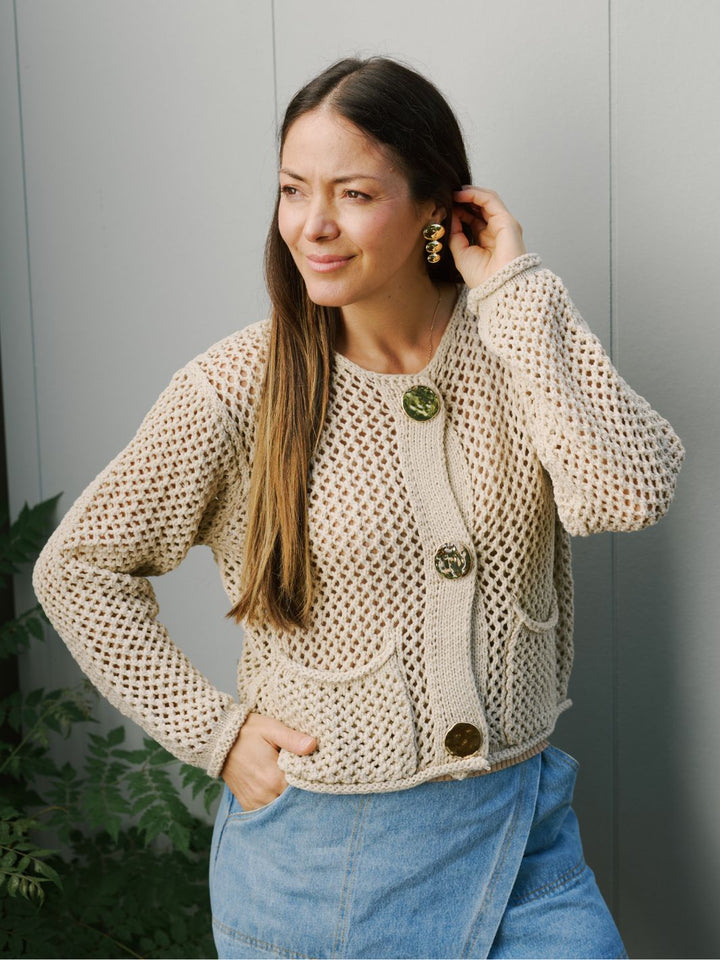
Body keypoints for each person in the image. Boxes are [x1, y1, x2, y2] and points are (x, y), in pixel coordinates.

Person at [33, 56, 684, 959]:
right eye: (293, 190)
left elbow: (630, 492)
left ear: (436, 209)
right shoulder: (236, 388)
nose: (314, 224)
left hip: (522, 837)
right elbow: (77, 567)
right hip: (321, 869)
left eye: (354, 193)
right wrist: (216, 734)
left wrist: (516, 292)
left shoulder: (514, 343)